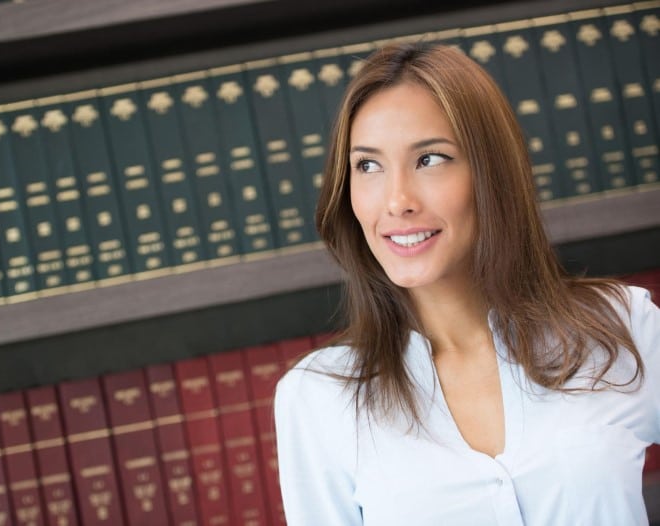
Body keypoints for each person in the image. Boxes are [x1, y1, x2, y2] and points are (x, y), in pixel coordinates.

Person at [273, 41, 660, 525]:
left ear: (491, 172)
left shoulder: (620, 326)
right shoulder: (317, 399)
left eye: (430, 159)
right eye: (368, 165)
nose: (396, 201)